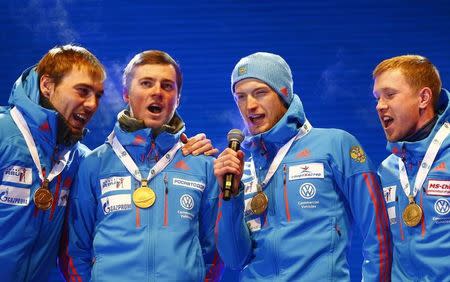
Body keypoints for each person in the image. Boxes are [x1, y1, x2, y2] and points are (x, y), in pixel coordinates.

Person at [214, 52, 391, 281]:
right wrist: (230, 197)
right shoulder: (244, 171)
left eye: (260, 92)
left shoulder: (335, 145)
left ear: (283, 93)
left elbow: (377, 232)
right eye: (241, 96)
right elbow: (234, 259)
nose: (250, 106)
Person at [66, 50, 222, 281]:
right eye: (146, 83)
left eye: (167, 86)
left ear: (178, 98)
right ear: (126, 94)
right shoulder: (94, 164)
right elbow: (75, 250)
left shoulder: (204, 165)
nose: (157, 92)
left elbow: (213, 251)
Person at [0, 45, 106, 281]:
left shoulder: (80, 161)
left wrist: (184, 152)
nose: (92, 105)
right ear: (47, 85)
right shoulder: (2, 133)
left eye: (98, 95)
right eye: (82, 91)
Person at [373, 55, 450, 281]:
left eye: (390, 94)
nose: (380, 106)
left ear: (423, 98)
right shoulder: (387, 170)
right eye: (377, 98)